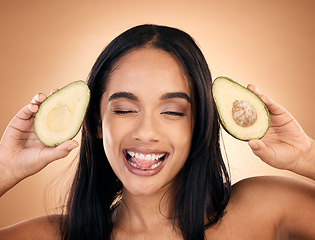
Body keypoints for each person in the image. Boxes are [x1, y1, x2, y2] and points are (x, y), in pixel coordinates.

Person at [0, 24, 314, 240]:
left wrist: (307, 156)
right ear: (96, 122)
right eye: (124, 109)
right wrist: (4, 168)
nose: (146, 131)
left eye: (173, 112)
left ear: (198, 124)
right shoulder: (53, 236)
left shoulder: (267, 209)